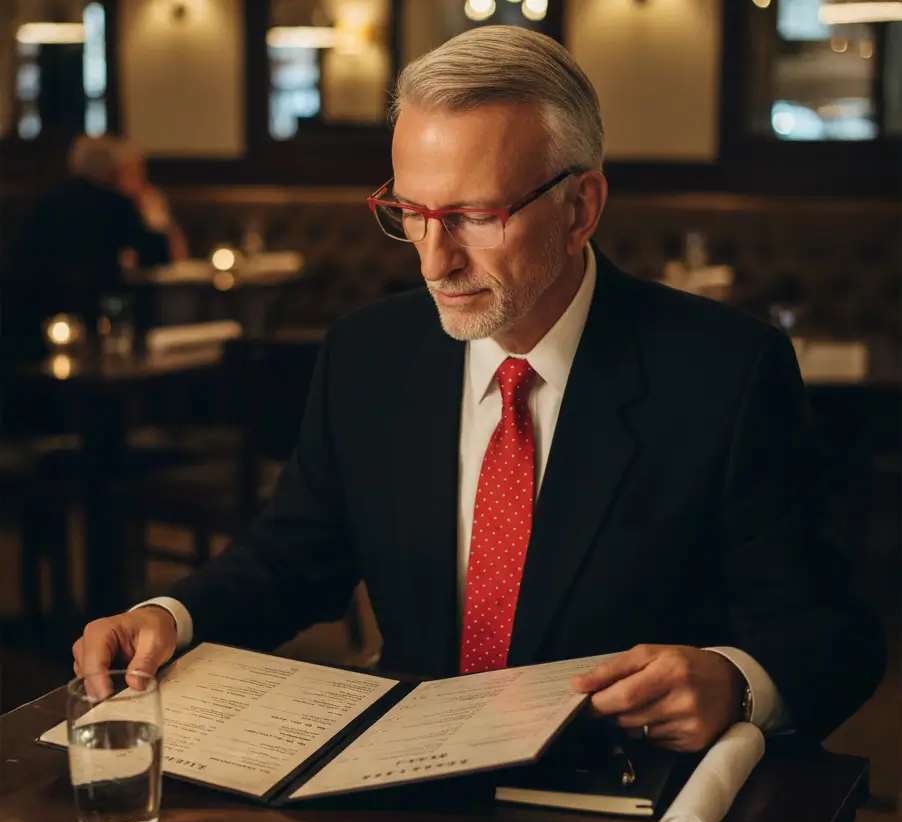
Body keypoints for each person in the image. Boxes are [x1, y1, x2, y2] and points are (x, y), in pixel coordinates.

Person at [72, 27, 884, 751]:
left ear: (580, 208)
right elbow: (292, 558)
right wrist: (168, 617)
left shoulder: (725, 372)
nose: (434, 261)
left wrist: (735, 683)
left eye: (474, 216)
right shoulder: (366, 354)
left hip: (619, 797)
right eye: (411, 213)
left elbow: (832, 633)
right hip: (403, 788)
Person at [2, 135, 177, 365]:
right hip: (90, 316)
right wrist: (157, 219)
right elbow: (159, 254)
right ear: (112, 170)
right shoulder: (116, 204)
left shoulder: (49, 201)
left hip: (28, 317)